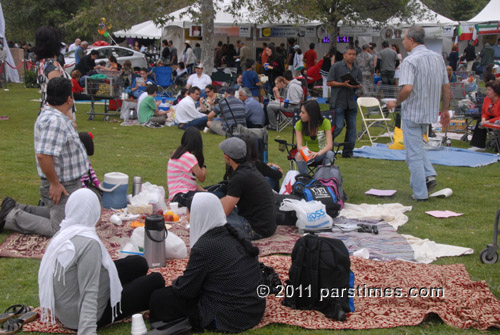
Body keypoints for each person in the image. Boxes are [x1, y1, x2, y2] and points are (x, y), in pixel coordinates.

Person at [38, 188, 165, 334]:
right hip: (82, 315)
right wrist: (87, 330)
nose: (102, 211)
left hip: (66, 308)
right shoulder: (88, 244)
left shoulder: (63, 234)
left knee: (138, 263)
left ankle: (121, 287)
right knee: (156, 280)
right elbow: (89, 292)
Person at [148, 192, 265, 333]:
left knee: (159, 298)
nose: (186, 216)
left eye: (188, 212)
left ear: (196, 214)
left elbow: (186, 290)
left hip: (228, 318)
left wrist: (176, 283)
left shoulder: (205, 246)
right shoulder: (233, 233)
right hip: (254, 310)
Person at [0, 78, 88, 237]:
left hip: (65, 181)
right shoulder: (54, 121)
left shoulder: (56, 114)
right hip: (61, 183)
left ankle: (17, 207)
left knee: (68, 216)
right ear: (69, 99)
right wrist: (54, 183)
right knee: (61, 229)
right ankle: (11, 216)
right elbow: (44, 155)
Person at [387, 26, 451, 201]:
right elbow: (446, 87)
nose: (403, 41)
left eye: (404, 38)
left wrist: (396, 102)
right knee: (417, 148)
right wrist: (445, 109)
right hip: (429, 113)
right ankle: (429, 174)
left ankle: (421, 192)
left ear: (412, 40)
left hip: (412, 112)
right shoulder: (438, 58)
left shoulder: (410, 61)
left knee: (413, 154)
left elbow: (407, 88)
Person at [219, 137, 276, 240]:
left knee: (213, 222)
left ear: (227, 157)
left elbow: (224, 212)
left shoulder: (239, 177)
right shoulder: (249, 168)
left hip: (256, 229)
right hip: (267, 225)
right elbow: (228, 201)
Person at [327, 46, 363, 158]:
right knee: (338, 126)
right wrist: (343, 84)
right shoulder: (336, 66)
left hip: (351, 101)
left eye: (354, 54)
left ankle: (348, 152)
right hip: (338, 101)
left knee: (352, 128)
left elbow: (358, 83)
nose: (352, 56)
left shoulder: (357, 69)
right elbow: (329, 82)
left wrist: (358, 85)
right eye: (350, 54)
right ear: (344, 55)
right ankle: (327, 146)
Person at [33, 26, 71, 110]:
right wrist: (70, 118)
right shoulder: (52, 66)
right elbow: (58, 94)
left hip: (47, 107)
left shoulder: (41, 63)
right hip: (58, 111)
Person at [167, 127, 206, 206]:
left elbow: (189, 181)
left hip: (177, 196)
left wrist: (203, 191)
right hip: (182, 196)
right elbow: (202, 178)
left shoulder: (177, 154)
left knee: (212, 193)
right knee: (215, 196)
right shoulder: (189, 157)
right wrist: (204, 166)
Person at [294, 100, 335, 174]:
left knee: (330, 153)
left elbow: (329, 145)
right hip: (307, 154)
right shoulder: (299, 124)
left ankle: (324, 178)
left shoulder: (325, 122)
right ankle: (305, 179)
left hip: (321, 153)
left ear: (311, 114)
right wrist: (308, 153)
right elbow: (299, 146)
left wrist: (318, 153)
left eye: (303, 112)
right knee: (299, 155)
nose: (300, 115)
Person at [469, 81, 500, 151]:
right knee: (480, 121)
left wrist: (488, 122)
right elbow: (484, 111)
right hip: (490, 118)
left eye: (489, 90)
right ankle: (479, 145)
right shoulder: (487, 99)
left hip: (498, 120)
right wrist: (483, 119)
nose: (487, 92)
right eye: (487, 89)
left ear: (496, 92)